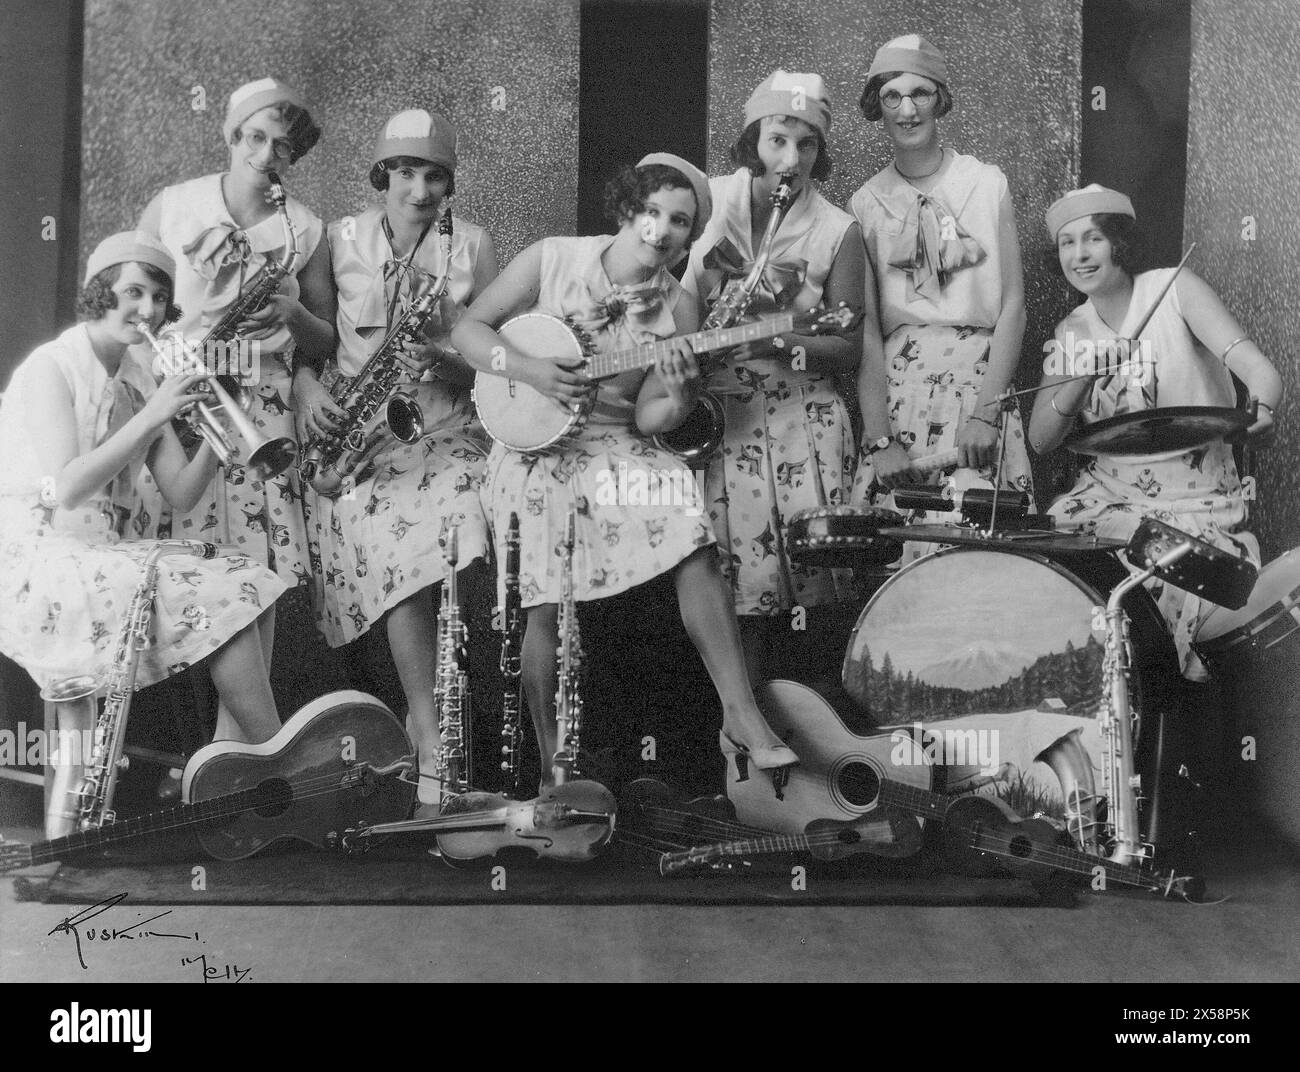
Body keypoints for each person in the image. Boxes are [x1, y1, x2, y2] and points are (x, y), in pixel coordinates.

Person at [451, 153, 798, 784]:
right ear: (627, 209)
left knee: (690, 528)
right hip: (534, 448)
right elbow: (467, 330)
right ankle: (555, 764)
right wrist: (530, 370)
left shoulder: (677, 310)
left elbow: (648, 420)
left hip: (614, 444)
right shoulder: (553, 257)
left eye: (680, 222)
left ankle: (740, 714)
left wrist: (682, 390)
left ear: (692, 237)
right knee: (546, 596)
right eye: (651, 212)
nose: (660, 231)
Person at [0, 232, 286, 835]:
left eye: (159, 296)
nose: (149, 310)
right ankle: (275, 761)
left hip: (95, 554)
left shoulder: (131, 384)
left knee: (252, 581)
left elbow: (182, 494)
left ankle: (231, 771)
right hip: (35, 557)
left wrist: (219, 429)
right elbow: (69, 487)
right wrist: (159, 411)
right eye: (133, 292)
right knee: (222, 595)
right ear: (101, 293)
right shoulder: (54, 367)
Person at [294, 109, 497, 805]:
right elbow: (312, 349)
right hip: (362, 444)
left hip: (447, 430)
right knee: (402, 546)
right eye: (406, 172)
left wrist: (445, 354)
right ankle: (435, 727)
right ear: (382, 175)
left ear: (449, 185)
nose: (419, 190)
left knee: (460, 533)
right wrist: (304, 389)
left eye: (435, 175)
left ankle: (438, 721)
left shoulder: (473, 248)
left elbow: (496, 369)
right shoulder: (336, 239)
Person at [1028, 184, 1281, 681]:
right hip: (1108, 495)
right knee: (1057, 566)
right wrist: (1081, 376)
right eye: (1067, 243)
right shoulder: (1071, 332)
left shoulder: (1174, 289)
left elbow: (1261, 371)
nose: (1079, 255)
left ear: (1119, 243)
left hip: (1197, 496)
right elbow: (1041, 439)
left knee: (1169, 570)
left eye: (1093, 239)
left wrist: (1264, 409)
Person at [683, 70, 865, 664]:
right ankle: (739, 738)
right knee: (728, 590)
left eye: (807, 143)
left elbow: (849, 346)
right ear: (752, 142)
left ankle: (810, 732)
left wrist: (776, 344)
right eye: (777, 140)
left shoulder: (839, 230)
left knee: (812, 595)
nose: (791, 158)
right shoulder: (707, 201)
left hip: (800, 419)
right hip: (720, 417)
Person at [847, 36, 1034, 547]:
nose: (907, 110)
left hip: (978, 384)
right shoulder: (865, 204)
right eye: (892, 97)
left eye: (921, 93)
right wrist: (881, 437)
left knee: (980, 545)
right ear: (877, 107)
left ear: (940, 99)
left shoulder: (985, 182)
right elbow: (865, 327)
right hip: (899, 389)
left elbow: (1013, 305)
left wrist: (985, 413)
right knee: (896, 549)